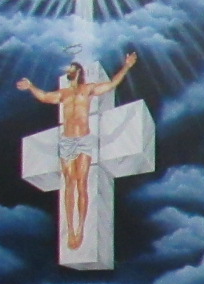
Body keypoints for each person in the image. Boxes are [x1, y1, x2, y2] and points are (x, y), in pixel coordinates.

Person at [17, 50, 138, 250]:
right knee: (69, 184)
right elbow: (45, 96)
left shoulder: (87, 89)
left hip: (83, 140)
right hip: (67, 141)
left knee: (81, 183)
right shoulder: (63, 94)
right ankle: (71, 229)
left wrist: (126, 66)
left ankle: (81, 228)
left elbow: (111, 85)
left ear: (79, 72)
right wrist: (31, 86)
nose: (69, 71)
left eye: (72, 68)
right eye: (69, 69)